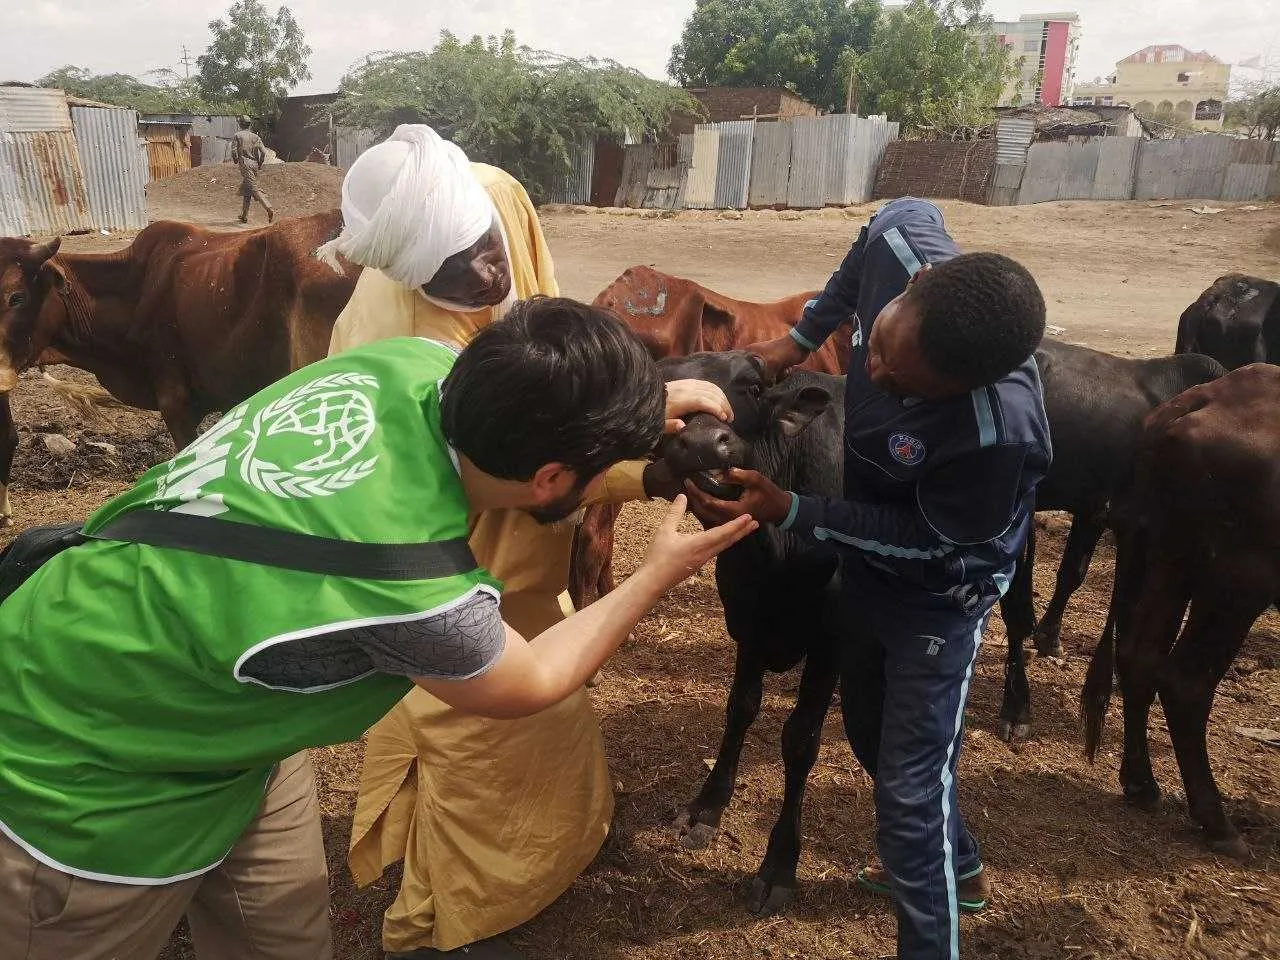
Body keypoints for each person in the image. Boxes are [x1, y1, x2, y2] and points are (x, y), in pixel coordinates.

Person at [0, 300, 756, 960]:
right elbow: (536, 679)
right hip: (83, 772)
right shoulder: (412, 590)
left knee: (282, 935)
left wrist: (634, 399)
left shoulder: (417, 362)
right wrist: (658, 571)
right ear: (552, 480)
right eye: (604, 464)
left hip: (225, 722)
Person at [319, 125, 709, 959]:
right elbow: (535, 470)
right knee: (484, 728)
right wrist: (646, 513)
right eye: (459, 271)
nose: (491, 274)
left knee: (549, 723)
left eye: (490, 249)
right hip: (466, 583)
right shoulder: (405, 369)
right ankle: (472, 905)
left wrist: (630, 414)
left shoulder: (489, 195)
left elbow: (548, 406)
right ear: (406, 272)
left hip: (521, 568)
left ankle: (552, 845)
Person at [688, 198, 1051, 960]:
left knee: (910, 798)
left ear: (965, 390)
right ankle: (964, 866)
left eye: (905, 385)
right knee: (864, 733)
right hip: (861, 561)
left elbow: (921, 541)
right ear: (908, 293)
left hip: (936, 597)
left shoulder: (998, 438)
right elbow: (875, 236)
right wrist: (799, 340)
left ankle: (932, 923)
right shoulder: (904, 244)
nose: (876, 373)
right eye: (878, 345)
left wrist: (793, 509)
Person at [231, 115, 274, 225]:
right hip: (254, 165)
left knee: (254, 189)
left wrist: (236, 160)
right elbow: (264, 153)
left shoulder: (237, 135)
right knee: (247, 191)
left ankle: (269, 208)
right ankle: (244, 216)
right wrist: (259, 163)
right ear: (250, 124)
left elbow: (234, 151)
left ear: (240, 124)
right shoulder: (255, 137)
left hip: (245, 164)